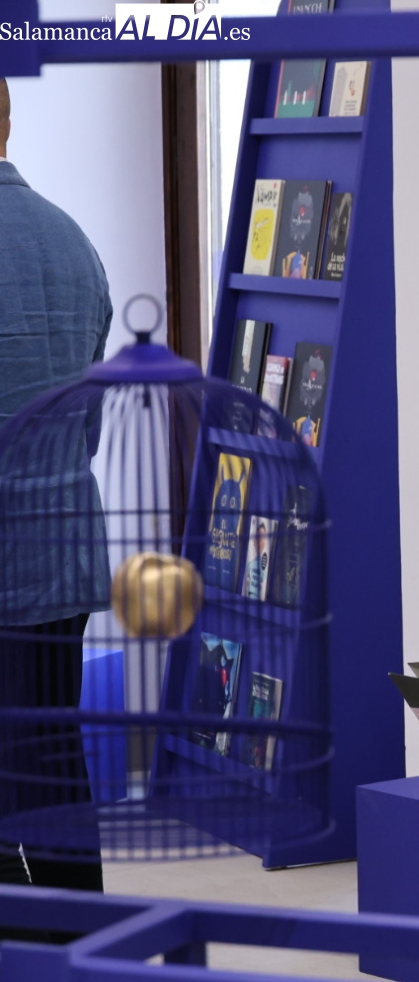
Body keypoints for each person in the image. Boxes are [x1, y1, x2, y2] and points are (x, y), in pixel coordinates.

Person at [0, 76, 115, 913]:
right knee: (52, 751)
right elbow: (89, 420)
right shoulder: (71, 240)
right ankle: (77, 938)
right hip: (61, 548)